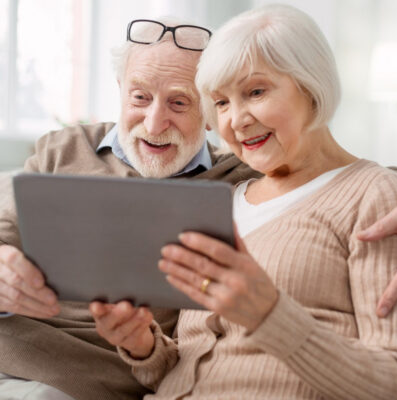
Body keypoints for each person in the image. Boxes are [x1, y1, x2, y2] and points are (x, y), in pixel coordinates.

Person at [91, 5, 397, 399]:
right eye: (220, 103)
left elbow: (392, 382)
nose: (236, 120)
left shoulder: (374, 196)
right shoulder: (223, 198)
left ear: (311, 85)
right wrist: (143, 346)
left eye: (255, 92)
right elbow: (194, 365)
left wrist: (269, 314)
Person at [0, 17, 260, 400]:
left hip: (74, 383)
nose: (154, 124)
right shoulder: (64, 147)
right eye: (140, 97)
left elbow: (342, 171)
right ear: (121, 90)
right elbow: (4, 225)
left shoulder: (239, 179)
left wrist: (384, 194)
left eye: (179, 102)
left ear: (211, 110)